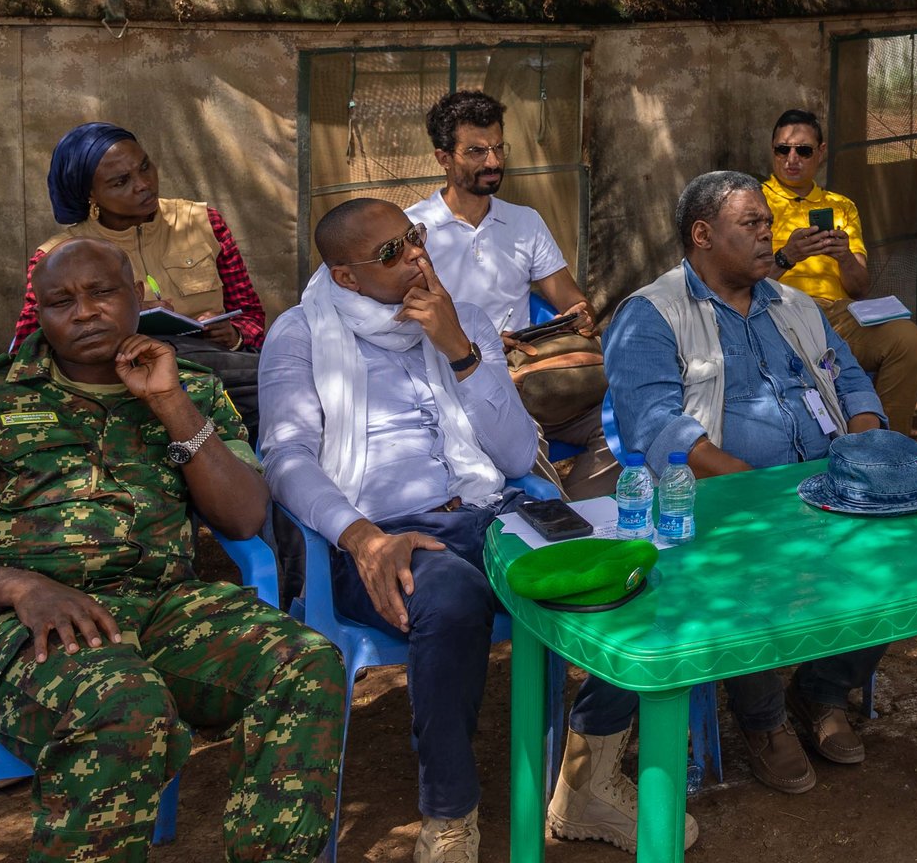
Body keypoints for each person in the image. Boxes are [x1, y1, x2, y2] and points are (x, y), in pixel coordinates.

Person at [0, 240, 343, 861]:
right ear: (39, 314)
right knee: (122, 706)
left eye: (101, 292)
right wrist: (20, 586)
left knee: (305, 663)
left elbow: (244, 516)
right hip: (21, 628)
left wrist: (169, 404)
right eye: (61, 301)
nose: (84, 312)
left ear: (137, 297)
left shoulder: (190, 388)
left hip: (163, 606)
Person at [257, 198, 671, 860]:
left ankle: (587, 781)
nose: (416, 256)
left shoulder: (466, 321)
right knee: (450, 596)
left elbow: (515, 455)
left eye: (414, 237)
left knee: (631, 570)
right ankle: (449, 817)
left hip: (488, 512)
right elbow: (285, 458)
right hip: (377, 533)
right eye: (391, 252)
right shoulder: (301, 333)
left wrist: (461, 351)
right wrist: (361, 537)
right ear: (346, 277)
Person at [601, 170, 889, 793]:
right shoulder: (650, 315)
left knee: (900, 550)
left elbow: (850, 380)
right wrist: (760, 491)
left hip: (829, 486)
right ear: (703, 235)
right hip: (726, 500)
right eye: (752, 224)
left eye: (768, 223)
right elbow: (658, 429)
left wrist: (863, 446)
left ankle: (822, 691)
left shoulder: (795, 305)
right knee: (742, 561)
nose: (769, 236)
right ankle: (763, 720)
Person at [405, 91, 610, 495]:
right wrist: (477, 342)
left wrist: (576, 318)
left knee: (629, 427)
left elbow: (572, 300)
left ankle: (579, 512)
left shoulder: (524, 222)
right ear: (443, 158)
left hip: (534, 379)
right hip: (463, 384)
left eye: (498, 148)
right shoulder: (414, 230)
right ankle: (558, 519)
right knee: (523, 446)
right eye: (476, 151)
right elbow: (408, 323)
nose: (494, 162)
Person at [13, 122, 267, 435]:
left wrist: (236, 334)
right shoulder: (59, 256)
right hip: (120, 379)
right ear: (91, 194)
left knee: (278, 384)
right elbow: (26, 345)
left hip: (217, 368)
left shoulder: (202, 222)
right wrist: (127, 316)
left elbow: (251, 315)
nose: (143, 184)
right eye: (121, 181)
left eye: (145, 167)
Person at [762, 108, 917, 435]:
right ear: (773, 151)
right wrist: (786, 257)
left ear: (821, 152)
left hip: (834, 314)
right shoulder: (754, 201)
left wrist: (845, 257)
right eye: (783, 149)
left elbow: (860, 287)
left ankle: (888, 445)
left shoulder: (842, 206)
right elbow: (737, 282)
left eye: (803, 150)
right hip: (776, 310)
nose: (792, 159)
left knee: (907, 340)